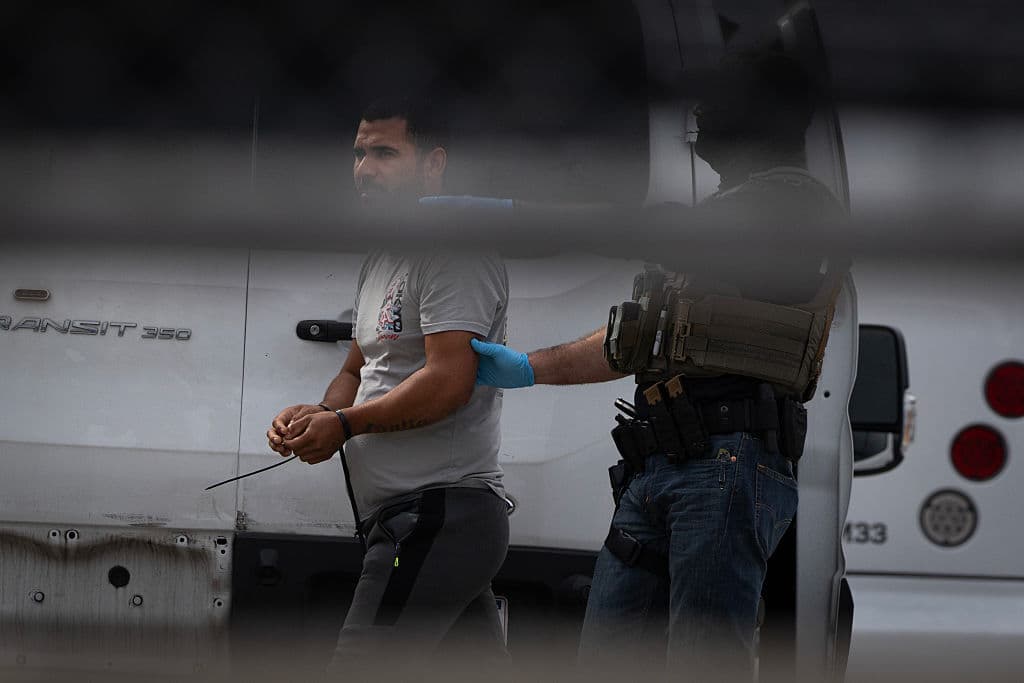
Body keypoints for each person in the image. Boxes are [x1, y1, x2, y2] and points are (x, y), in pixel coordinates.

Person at [471, 50, 846, 681]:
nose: (698, 113)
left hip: (729, 466)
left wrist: (517, 214)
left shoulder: (792, 205)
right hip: (667, 465)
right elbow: (636, 345)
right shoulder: (728, 225)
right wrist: (525, 368)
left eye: (715, 98)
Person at [266, 97, 511, 678]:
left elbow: (449, 381)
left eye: (383, 153)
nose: (363, 169)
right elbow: (356, 369)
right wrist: (317, 414)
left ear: (433, 164)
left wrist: (345, 426)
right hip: (405, 518)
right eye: (358, 153)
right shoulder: (383, 255)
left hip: (438, 518)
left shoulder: (456, 250)